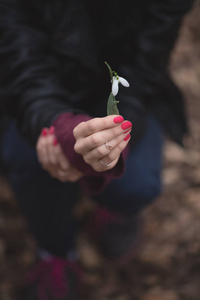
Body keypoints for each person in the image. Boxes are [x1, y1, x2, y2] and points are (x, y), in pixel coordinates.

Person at [0, 0, 194, 299]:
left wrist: (116, 141)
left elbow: (146, 65)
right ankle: (55, 250)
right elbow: (22, 64)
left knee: (136, 184)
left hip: (130, 99)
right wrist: (59, 127)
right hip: (38, 98)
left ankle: (113, 210)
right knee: (35, 166)